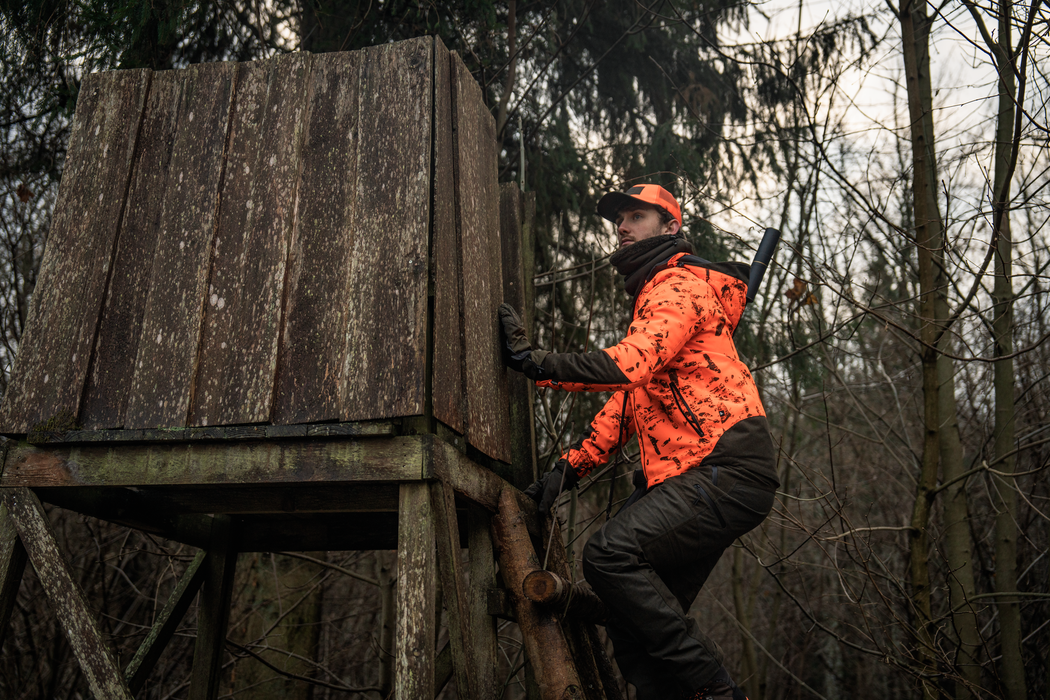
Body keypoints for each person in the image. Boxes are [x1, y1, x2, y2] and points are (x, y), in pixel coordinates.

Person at [498, 184, 779, 700]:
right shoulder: (659, 294)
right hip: (693, 474)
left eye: (636, 216)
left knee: (610, 554)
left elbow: (628, 366)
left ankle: (716, 692)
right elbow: (631, 401)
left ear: (671, 227)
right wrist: (568, 469)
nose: (622, 227)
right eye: (619, 219)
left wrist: (537, 363)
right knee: (632, 627)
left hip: (725, 469)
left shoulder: (676, 284)